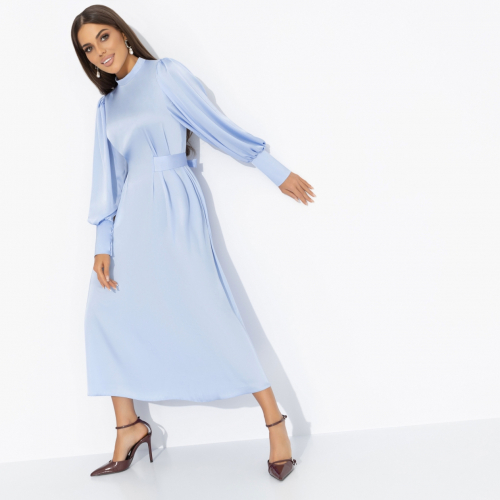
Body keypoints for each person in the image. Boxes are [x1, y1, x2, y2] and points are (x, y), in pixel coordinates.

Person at [72, 5, 315, 481]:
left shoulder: (165, 74)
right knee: (104, 313)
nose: (99, 51)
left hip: (174, 202)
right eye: (88, 48)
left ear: (122, 34)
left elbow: (213, 125)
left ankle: (275, 422)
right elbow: (109, 178)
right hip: (131, 214)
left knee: (209, 308)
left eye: (103, 37)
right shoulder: (107, 106)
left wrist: (273, 168)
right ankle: (128, 426)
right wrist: (103, 241)